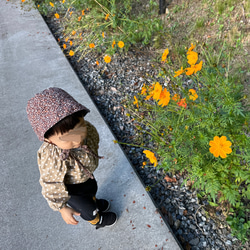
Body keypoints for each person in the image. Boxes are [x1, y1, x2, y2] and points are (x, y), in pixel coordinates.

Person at [26, 87, 117, 229]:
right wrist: (61, 207)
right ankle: (97, 220)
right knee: (86, 209)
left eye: (80, 128)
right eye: (67, 138)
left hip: (85, 176)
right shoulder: (52, 157)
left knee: (92, 189)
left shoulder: (88, 129)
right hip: (71, 190)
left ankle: (94, 201)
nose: (77, 140)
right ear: (47, 139)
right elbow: (51, 184)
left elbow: (93, 140)